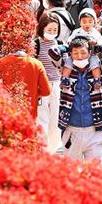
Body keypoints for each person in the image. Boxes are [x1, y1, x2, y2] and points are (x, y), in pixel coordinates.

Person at [54, 36, 102, 161]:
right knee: (72, 172)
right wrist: (69, 45)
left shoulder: (99, 69)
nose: (79, 56)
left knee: (95, 172)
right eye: (75, 53)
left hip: (94, 128)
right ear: (70, 54)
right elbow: (52, 52)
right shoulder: (65, 69)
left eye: (83, 52)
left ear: (89, 53)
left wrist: (96, 46)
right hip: (71, 128)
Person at [33, 12, 63, 153]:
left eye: (55, 30)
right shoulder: (36, 44)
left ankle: (52, 150)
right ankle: (42, 150)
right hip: (41, 85)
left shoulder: (60, 44)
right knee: (42, 118)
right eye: (49, 30)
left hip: (57, 84)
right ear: (42, 28)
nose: (52, 33)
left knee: (55, 118)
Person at [0, 48, 51, 124]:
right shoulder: (36, 64)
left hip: (6, 112)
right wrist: (34, 94)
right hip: (29, 114)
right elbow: (46, 91)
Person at [62, 8, 102, 90]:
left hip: (91, 55)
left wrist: (95, 42)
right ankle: (65, 79)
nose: (87, 24)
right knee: (68, 62)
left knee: (95, 64)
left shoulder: (95, 33)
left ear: (94, 22)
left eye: (90, 21)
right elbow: (70, 39)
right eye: (84, 22)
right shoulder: (76, 31)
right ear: (80, 22)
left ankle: (97, 80)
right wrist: (70, 41)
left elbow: (101, 43)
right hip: (77, 55)